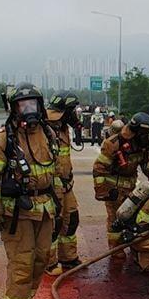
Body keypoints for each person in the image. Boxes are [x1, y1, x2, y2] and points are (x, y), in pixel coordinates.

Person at [0, 84, 59, 299]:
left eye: (32, 104)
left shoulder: (48, 134)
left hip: (44, 207)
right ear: (13, 108)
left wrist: (62, 204)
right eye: (23, 105)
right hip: (17, 212)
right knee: (22, 259)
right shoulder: (3, 139)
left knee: (42, 257)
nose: (29, 109)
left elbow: (56, 172)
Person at [92, 111, 149, 252]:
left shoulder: (143, 142)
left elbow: (146, 161)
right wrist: (103, 192)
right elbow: (99, 168)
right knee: (115, 220)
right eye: (144, 134)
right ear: (137, 131)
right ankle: (116, 250)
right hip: (114, 188)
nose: (146, 137)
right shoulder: (113, 143)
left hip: (131, 187)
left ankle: (132, 244)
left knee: (132, 216)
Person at [45, 93, 83, 276]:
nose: (74, 114)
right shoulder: (45, 127)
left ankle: (68, 258)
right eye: (72, 110)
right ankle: (49, 263)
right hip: (51, 187)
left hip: (66, 184)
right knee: (54, 225)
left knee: (71, 219)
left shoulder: (62, 127)